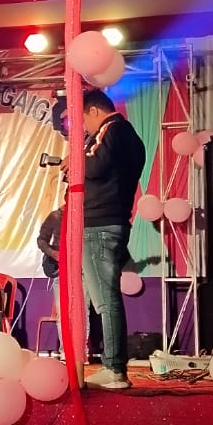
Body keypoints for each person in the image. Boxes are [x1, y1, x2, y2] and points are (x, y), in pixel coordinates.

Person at [61, 89, 145, 388]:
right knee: (105, 299)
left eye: (83, 120)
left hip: (99, 224)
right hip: (111, 220)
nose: (84, 128)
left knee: (106, 301)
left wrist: (74, 161)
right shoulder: (130, 137)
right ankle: (113, 366)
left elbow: (93, 166)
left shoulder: (112, 129)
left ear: (94, 111)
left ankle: (114, 368)